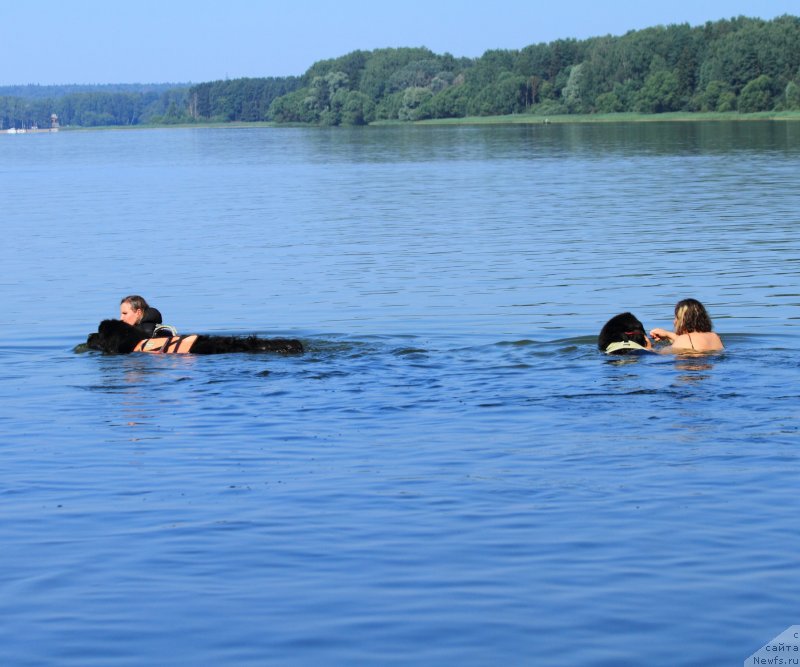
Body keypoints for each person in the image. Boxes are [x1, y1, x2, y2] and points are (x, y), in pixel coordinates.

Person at [649, 298, 724, 352]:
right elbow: (693, 343)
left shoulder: (684, 339)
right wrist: (668, 334)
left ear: (683, 320)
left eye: (676, 317)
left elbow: (659, 354)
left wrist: (648, 346)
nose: (674, 321)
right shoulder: (714, 336)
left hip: (689, 366)